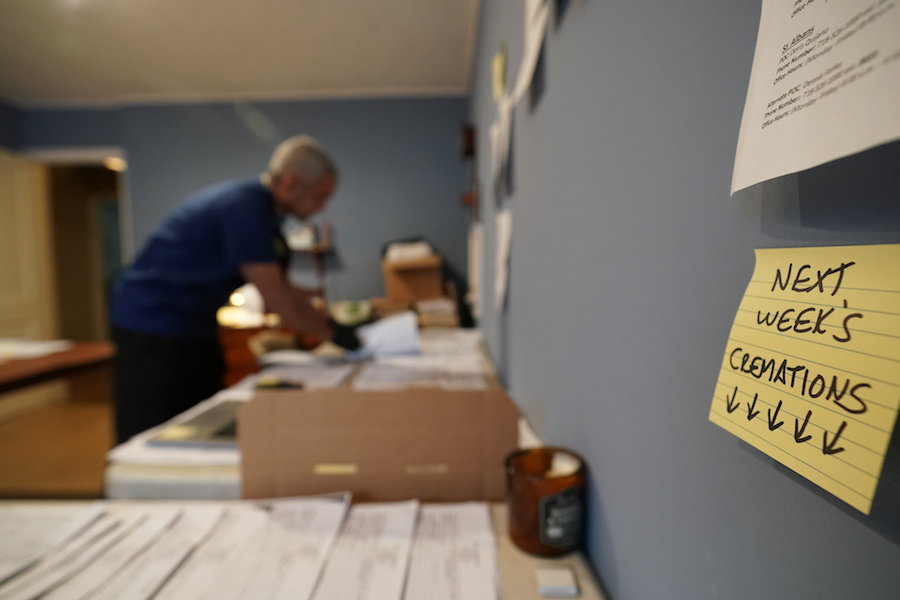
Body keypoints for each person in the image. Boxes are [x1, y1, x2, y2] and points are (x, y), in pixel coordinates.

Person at [110, 135, 360, 443]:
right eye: (320, 197)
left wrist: (315, 310)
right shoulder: (245, 207)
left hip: (194, 323)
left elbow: (280, 287)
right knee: (155, 428)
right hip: (153, 322)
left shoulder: (268, 215)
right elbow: (276, 298)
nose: (322, 207)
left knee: (204, 415)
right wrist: (336, 334)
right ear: (291, 183)